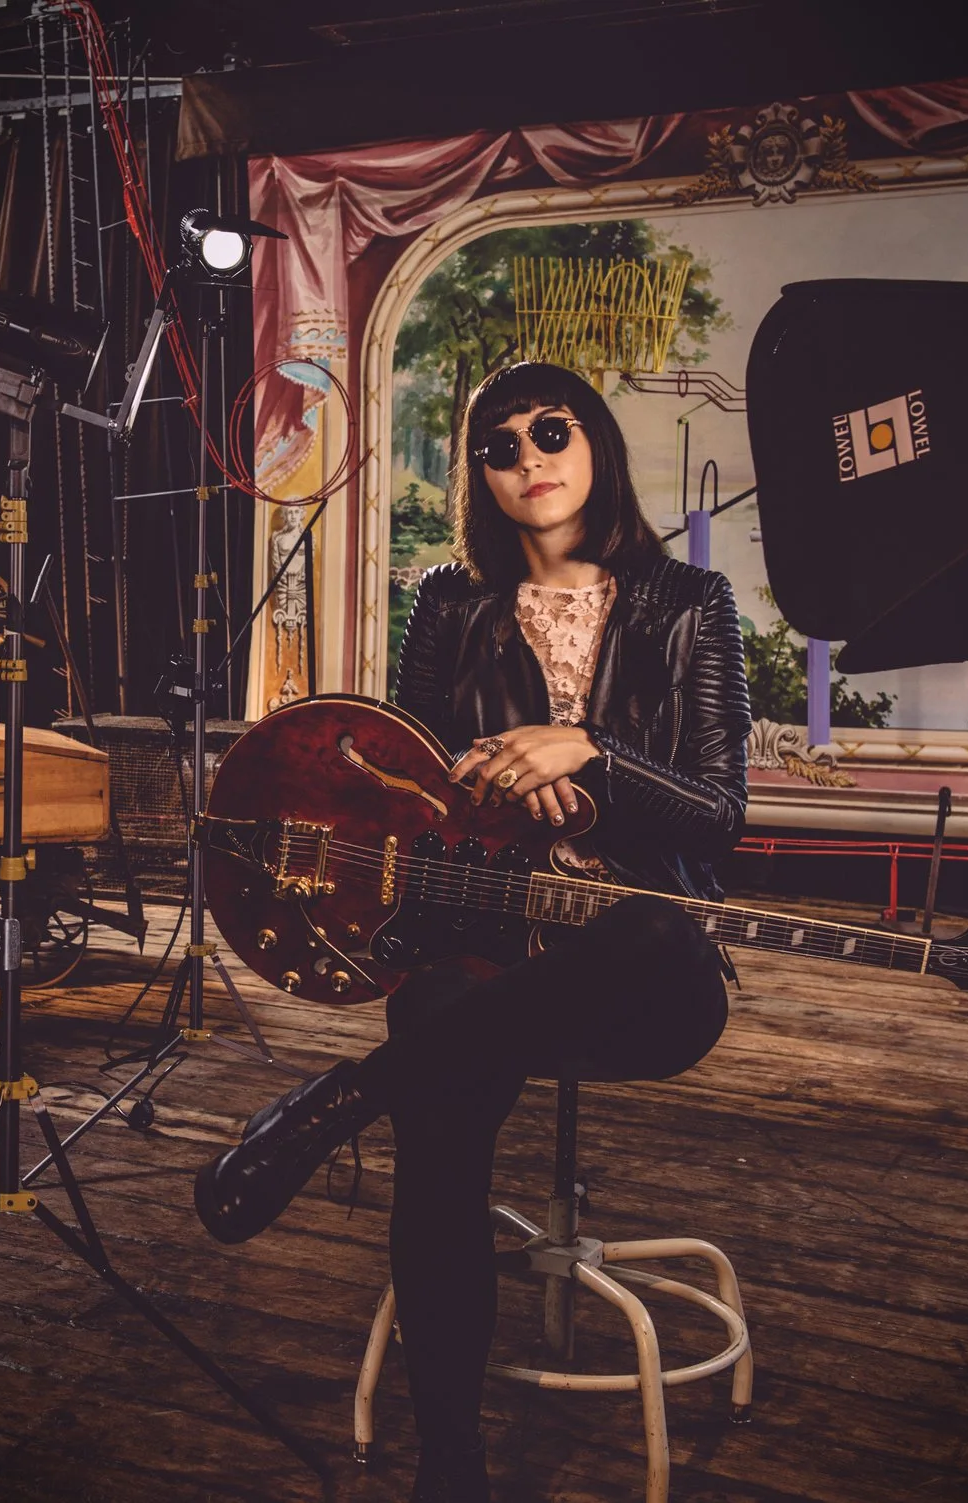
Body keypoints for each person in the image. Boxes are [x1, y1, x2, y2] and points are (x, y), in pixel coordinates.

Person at [192, 361, 750, 1502]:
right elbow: (411, 780)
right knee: (443, 1100)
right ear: (479, 476)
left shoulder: (690, 605)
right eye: (498, 446)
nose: (529, 457)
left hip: (641, 965)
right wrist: (493, 786)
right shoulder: (450, 599)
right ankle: (451, 1462)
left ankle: (346, 1096)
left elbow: (722, 815)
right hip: (481, 936)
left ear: (595, 441)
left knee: (644, 936)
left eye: (551, 430)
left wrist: (588, 752)